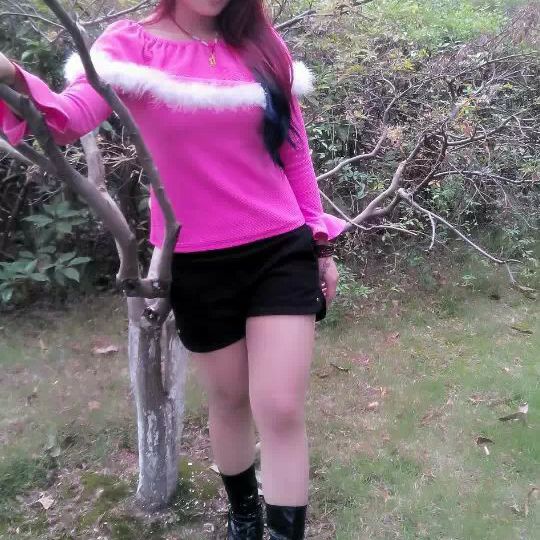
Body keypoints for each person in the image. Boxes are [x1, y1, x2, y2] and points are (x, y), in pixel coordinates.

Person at [0, 1, 346, 538]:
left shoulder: (260, 43)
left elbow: (294, 151)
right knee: (229, 400)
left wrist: (320, 243)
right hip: (197, 260)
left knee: (279, 407)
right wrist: (9, 75)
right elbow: (66, 119)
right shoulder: (130, 46)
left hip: (280, 247)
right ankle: (244, 516)